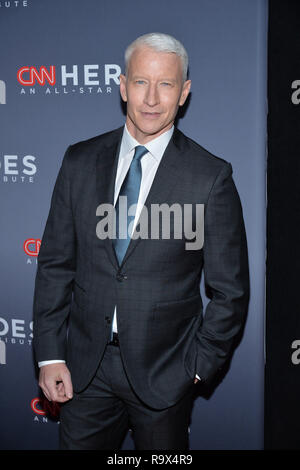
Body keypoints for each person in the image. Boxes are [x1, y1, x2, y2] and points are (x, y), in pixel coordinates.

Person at [33, 32, 250, 450]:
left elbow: (230, 291)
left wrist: (197, 368)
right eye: (140, 82)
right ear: (122, 85)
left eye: (166, 84)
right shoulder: (79, 161)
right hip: (84, 372)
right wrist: (50, 354)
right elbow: (56, 264)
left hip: (165, 377)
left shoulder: (210, 177)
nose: (151, 98)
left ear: (184, 92)